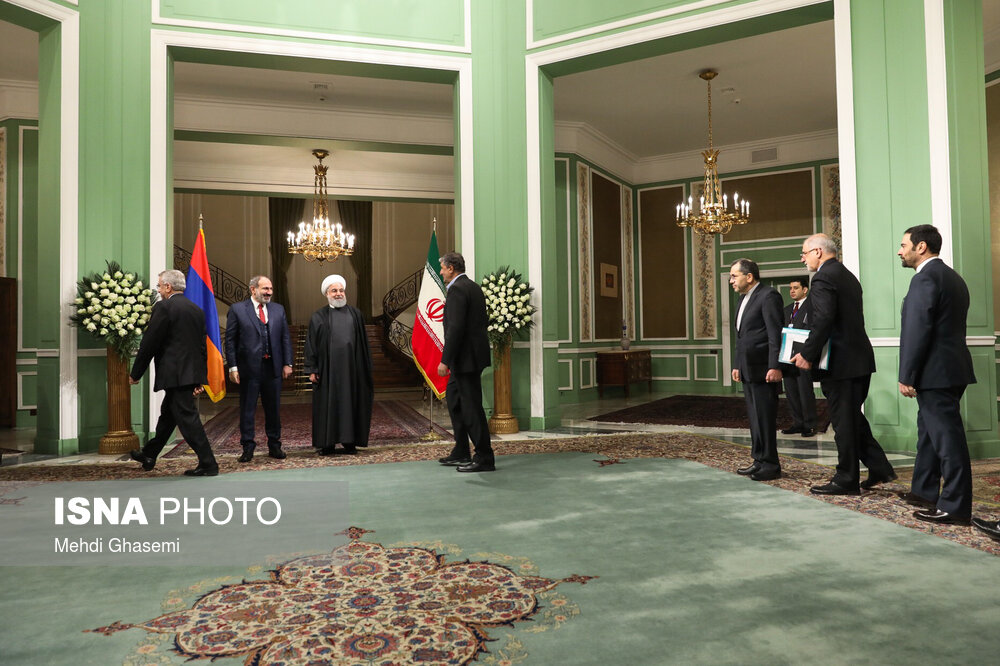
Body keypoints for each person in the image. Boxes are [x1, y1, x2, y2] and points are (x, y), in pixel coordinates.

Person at [791, 234, 896, 495]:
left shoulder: (824, 277)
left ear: (818, 251)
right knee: (851, 419)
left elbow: (824, 319)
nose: (802, 258)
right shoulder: (847, 275)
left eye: (804, 253)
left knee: (843, 423)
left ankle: (846, 478)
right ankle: (879, 468)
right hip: (857, 360)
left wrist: (807, 353)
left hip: (841, 363)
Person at [896, 225, 975, 525]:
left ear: (922, 247)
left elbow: (918, 330)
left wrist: (907, 375)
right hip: (952, 369)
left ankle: (955, 506)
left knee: (947, 441)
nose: (900, 251)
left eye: (904, 245)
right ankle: (925, 491)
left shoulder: (924, 279)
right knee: (929, 434)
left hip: (935, 373)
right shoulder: (953, 277)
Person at [127, 269, 219, 476]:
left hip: (175, 374)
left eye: (159, 286)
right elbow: (201, 348)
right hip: (188, 374)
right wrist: (199, 379)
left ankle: (208, 463)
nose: (158, 290)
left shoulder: (164, 307)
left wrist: (136, 373)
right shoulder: (196, 309)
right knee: (168, 416)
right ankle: (150, 454)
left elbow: (149, 343)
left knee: (188, 420)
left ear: (168, 287)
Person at [436, 252, 495, 472]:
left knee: (471, 407)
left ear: (451, 268)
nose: (441, 272)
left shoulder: (458, 289)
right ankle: (461, 450)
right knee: (455, 401)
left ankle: (484, 457)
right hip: (468, 357)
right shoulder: (473, 286)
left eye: (442, 268)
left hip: (465, 359)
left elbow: (456, 328)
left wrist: (445, 360)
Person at [225, 275, 293, 463]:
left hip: (273, 369)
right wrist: (233, 366)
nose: (269, 292)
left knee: (274, 409)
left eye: (270, 289)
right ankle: (248, 447)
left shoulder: (278, 309)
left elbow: (285, 338)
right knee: (247, 409)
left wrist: (288, 363)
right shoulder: (238, 310)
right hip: (249, 369)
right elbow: (230, 341)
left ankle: (274, 445)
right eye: (265, 289)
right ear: (253, 289)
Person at [303, 274, 373, 455]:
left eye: (341, 290)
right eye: (334, 290)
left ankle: (350, 441)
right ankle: (327, 443)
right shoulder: (318, 316)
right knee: (328, 405)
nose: (339, 294)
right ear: (327, 293)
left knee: (351, 404)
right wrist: (312, 369)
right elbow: (311, 344)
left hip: (352, 370)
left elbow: (363, 343)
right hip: (328, 371)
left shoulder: (355, 314)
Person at [729, 258, 784, 481]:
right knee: (755, 417)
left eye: (734, 276)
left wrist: (775, 365)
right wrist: (737, 364)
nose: (731, 280)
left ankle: (771, 465)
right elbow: (741, 337)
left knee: (765, 418)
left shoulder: (768, 296)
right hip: (748, 369)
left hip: (764, 370)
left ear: (749, 276)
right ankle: (759, 460)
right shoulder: (744, 299)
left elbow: (775, 334)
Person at [781, 277, 817, 438]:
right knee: (791, 391)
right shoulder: (787, 310)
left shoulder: (811, 307)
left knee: (805, 390)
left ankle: (809, 425)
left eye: (796, 288)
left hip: (803, 355)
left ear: (805, 289)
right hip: (787, 356)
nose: (792, 291)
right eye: (790, 288)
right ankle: (797, 422)